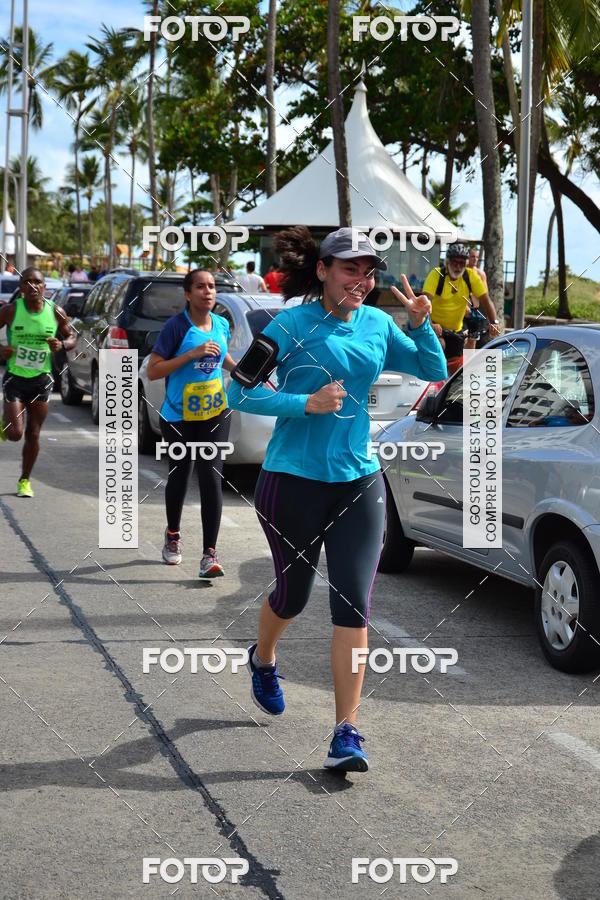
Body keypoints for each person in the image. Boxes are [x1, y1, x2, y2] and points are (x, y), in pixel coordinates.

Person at [227, 226, 447, 773]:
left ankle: (346, 731)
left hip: (359, 479)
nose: (361, 280)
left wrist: (420, 326)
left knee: (353, 602)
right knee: (293, 595)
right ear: (323, 270)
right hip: (291, 479)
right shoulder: (289, 324)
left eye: (369, 271)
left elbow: (434, 371)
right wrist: (306, 403)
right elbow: (240, 389)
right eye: (349, 269)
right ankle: (263, 658)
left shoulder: (376, 322)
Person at [147, 269, 237, 577]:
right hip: (178, 416)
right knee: (181, 475)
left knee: (212, 478)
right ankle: (173, 536)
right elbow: (154, 371)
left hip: (214, 412)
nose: (207, 292)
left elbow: (223, 357)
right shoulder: (176, 327)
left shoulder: (222, 323)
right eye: (200, 287)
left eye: (211, 286)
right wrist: (191, 354)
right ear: (188, 294)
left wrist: (245, 374)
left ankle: (209, 555)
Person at [0, 267, 76, 497]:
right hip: (15, 376)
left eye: (38, 282)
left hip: (42, 379)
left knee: (33, 433)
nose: (33, 286)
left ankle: (25, 480)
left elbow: (72, 336)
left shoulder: (56, 312)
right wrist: (2, 349)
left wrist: (62, 345)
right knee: (15, 434)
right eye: (28, 282)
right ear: (21, 287)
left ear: (44, 287)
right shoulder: (11, 311)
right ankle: (6, 424)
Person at [422, 243, 500, 360]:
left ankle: (466, 374)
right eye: (454, 262)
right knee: (440, 346)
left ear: (466, 264)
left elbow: (486, 299)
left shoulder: (470, 275)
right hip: (435, 328)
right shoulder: (437, 274)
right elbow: (425, 302)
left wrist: (494, 322)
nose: (458, 267)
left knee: (459, 366)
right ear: (447, 262)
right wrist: (430, 323)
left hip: (456, 331)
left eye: (462, 263)